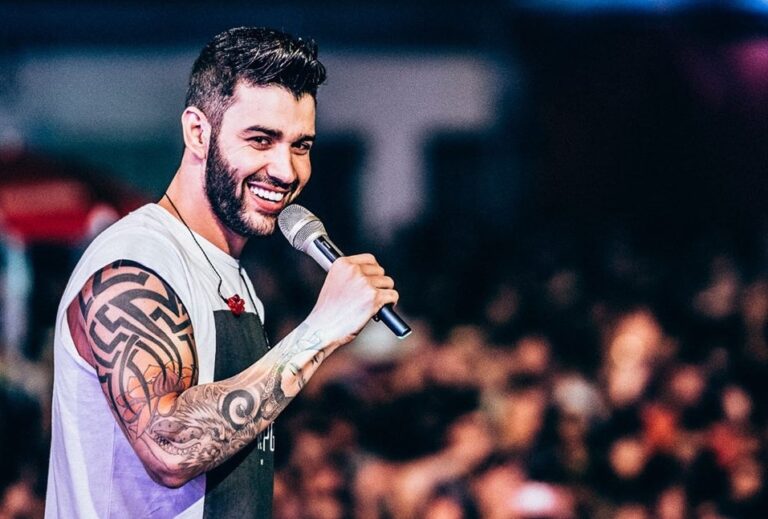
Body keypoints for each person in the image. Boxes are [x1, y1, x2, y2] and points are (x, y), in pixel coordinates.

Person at [44, 27, 399, 518]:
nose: (286, 170)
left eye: (300, 146)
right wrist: (321, 330)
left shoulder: (232, 275)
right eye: (261, 140)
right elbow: (169, 447)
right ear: (197, 132)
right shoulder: (134, 261)